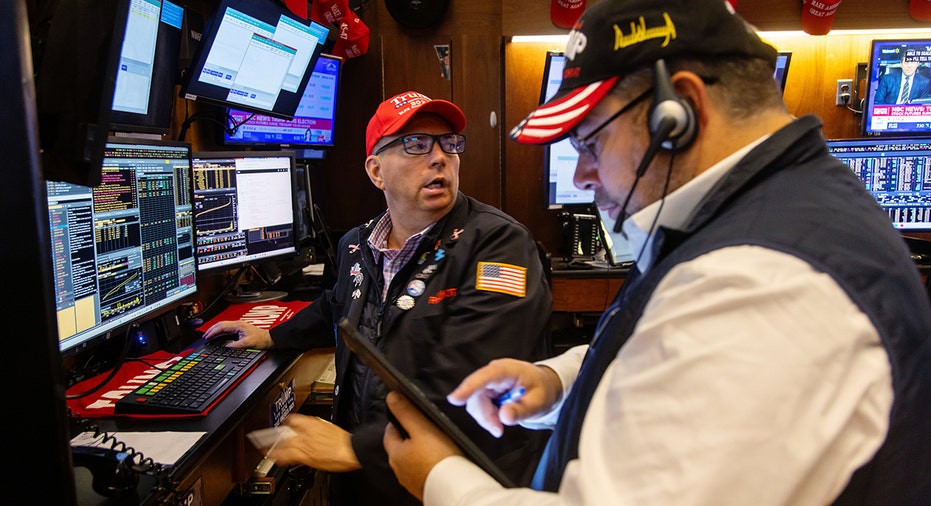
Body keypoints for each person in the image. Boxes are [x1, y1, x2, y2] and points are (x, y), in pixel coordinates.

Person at [382, 1, 931, 504]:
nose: (582, 175)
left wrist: (439, 476)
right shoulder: (773, 209)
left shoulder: (761, 282)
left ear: (680, 113)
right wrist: (560, 383)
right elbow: (676, 352)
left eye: (590, 143)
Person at [203, 91, 552, 505]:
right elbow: (337, 306)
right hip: (368, 478)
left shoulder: (498, 244)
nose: (440, 157)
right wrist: (273, 337)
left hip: (457, 480)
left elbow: (479, 374)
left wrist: (356, 448)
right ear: (376, 171)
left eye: (450, 143)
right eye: (416, 144)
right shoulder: (357, 244)